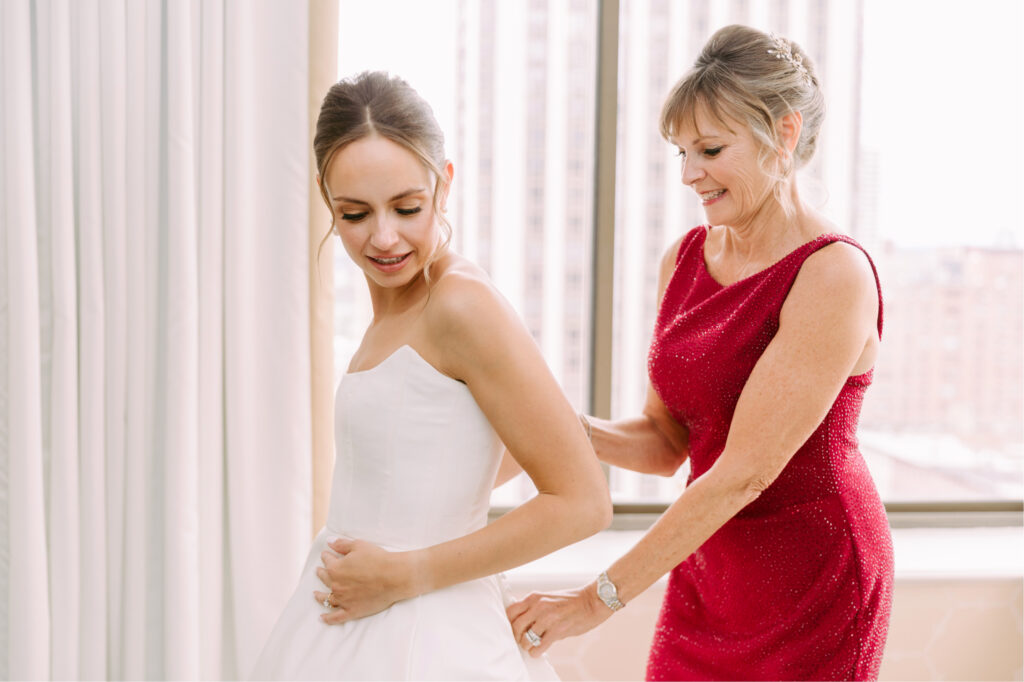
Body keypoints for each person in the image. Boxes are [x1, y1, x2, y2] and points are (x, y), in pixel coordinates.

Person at [505, 24, 893, 681]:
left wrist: (593, 601)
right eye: (681, 151)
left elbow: (744, 471)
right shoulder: (684, 259)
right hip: (711, 568)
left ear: (785, 135)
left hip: (814, 577)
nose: (689, 174)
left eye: (710, 149)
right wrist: (552, 423)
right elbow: (666, 443)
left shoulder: (833, 273)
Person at [250, 71, 611, 681]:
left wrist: (405, 572)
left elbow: (583, 501)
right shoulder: (398, 305)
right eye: (355, 213)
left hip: (425, 635)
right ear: (325, 198)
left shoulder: (461, 304)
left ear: (444, 184)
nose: (384, 237)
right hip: (359, 624)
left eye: (407, 207)